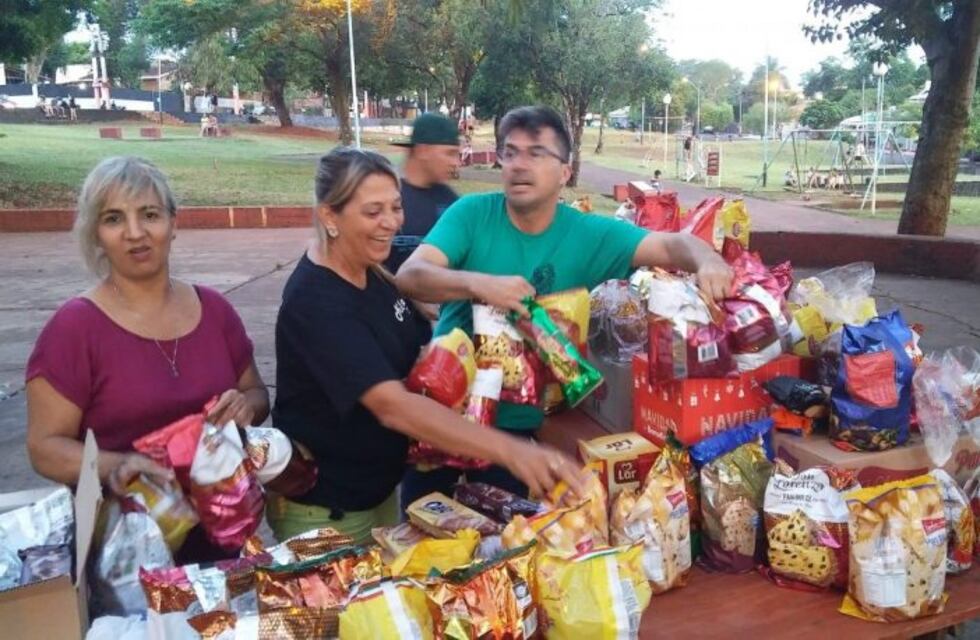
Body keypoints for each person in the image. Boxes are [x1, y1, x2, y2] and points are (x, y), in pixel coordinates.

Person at [396, 106, 733, 507]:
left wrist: (708, 259)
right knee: (425, 544)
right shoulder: (471, 214)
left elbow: (671, 244)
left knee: (509, 550)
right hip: (445, 419)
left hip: (516, 436)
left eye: (536, 153)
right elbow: (411, 275)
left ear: (565, 170)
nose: (519, 165)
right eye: (511, 152)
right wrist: (479, 284)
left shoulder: (588, 234)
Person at [269, 147, 585, 545]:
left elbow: (406, 354)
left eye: (396, 207)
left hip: (378, 495)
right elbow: (392, 406)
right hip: (328, 512)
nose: (390, 223)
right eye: (372, 212)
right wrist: (515, 452)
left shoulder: (374, 274)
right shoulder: (316, 302)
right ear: (330, 216)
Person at [25, 156, 270, 561]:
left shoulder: (214, 309)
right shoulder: (75, 328)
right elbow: (44, 448)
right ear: (96, 235)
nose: (135, 233)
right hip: (127, 554)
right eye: (114, 218)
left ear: (174, 223)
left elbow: (257, 394)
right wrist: (119, 464)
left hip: (225, 536)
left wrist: (246, 406)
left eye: (150, 214)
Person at [384, 113, 460, 274]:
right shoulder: (385, 196)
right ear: (423, 151)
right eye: (449, 153)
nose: (456, 163)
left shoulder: (451, 202)